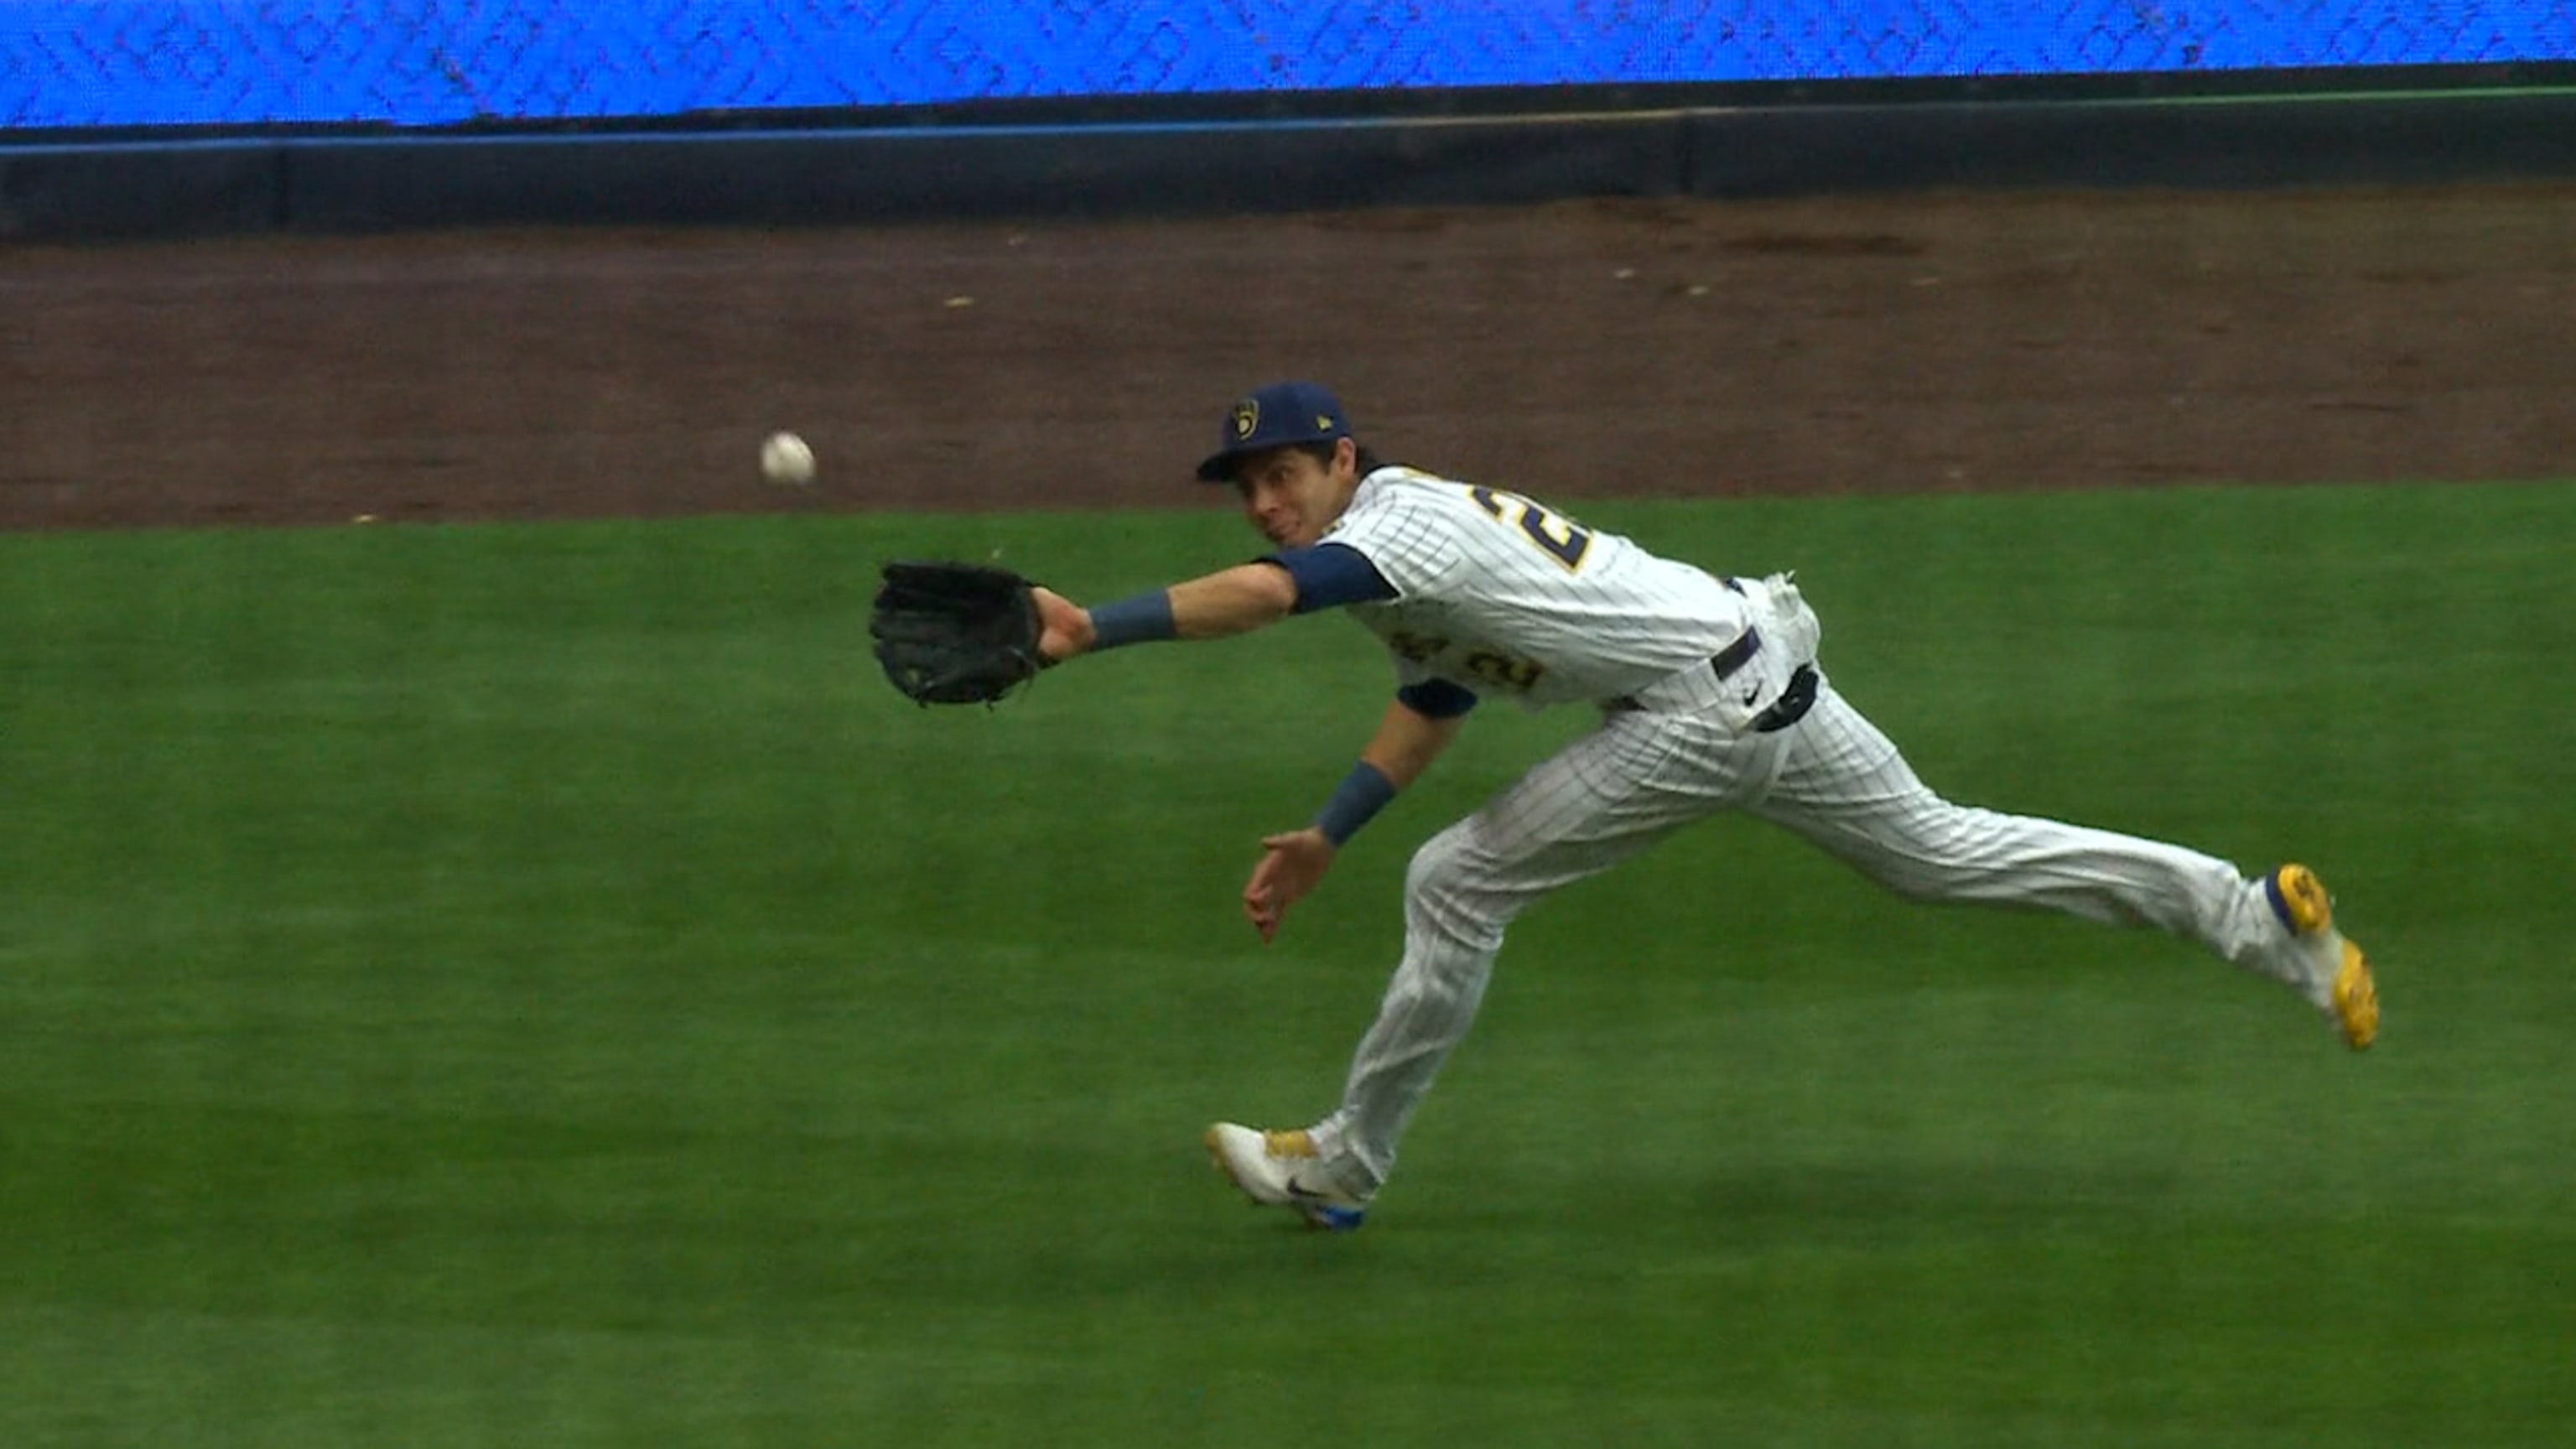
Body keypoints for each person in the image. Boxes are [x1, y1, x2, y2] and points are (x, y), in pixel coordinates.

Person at [1030, 381, 2379, 1232]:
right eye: (1251, 488)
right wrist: (1330, 832)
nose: (1268, 503)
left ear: (1345, 461)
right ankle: (2262, 922)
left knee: (1459, 884)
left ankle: (1343, 1165)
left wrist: (1098, 626)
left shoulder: (1400, 525)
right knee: (1941, 855)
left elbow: (1266, 600)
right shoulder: (1399, 560)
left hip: (1702, 708)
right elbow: (1436, 700)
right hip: (1760, 663)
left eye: (1285, 476)